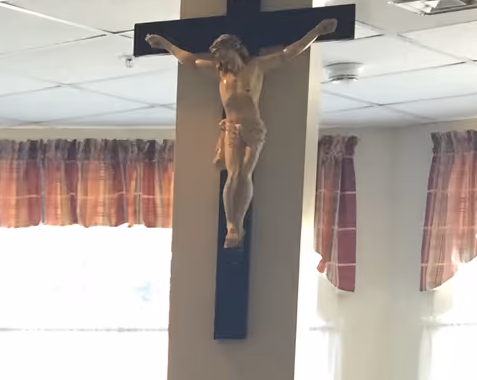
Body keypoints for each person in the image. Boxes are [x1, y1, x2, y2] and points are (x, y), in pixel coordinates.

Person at [141, 19, 338, 248]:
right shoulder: (220, 73)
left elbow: (287, 54)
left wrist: (316, 31)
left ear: (234, 49)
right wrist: (165, 44)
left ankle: (239, 220)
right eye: (217, 56)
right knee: (233, 175)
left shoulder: (255, 68)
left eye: (222, 53)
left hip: (252, 128)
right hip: (231, 129)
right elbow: (191, 60)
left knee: (245, 174)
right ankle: (231, 226)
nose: (220, 59)